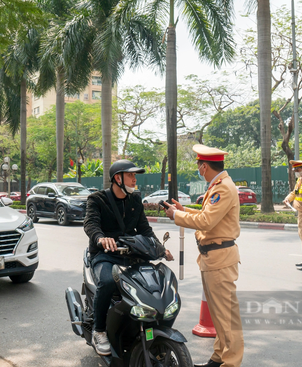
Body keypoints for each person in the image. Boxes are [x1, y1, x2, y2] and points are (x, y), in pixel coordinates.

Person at [163, 144, 244, 367]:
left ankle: (231, 362)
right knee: (219, 316)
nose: (198, 168)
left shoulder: (223, 188)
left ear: (204, 166)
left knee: (227, 318)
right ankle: (218, 358)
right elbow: (208, 215)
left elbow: (206, 222)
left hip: (219, 259)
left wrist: (176, 215)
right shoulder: (219, 185)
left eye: (199, 164)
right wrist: (184, 210)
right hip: (213, 258)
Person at [83, 159, 173, 356]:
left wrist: (159, 248)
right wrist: (100, 238)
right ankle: (99, 331)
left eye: (135, 176)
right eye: (131, 175)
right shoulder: (97, 199)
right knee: (107, 282)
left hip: (131, 254)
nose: (134, 179)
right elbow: (91, 224)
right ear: (118, 178)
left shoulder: (135, 200)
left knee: (155, 282)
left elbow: (144, 229)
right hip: (105, 255)